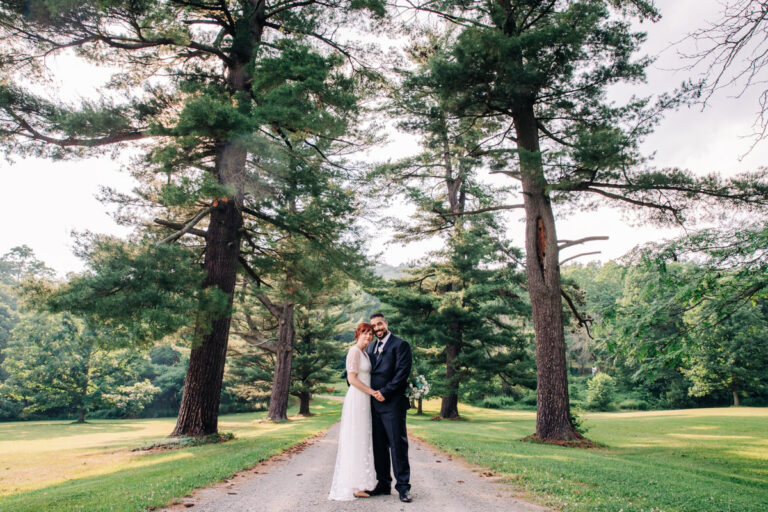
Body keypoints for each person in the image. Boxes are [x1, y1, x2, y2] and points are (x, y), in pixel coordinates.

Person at [328, 322, 384, 501]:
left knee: (363, 439)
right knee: (355, 438)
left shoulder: (365, 353)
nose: (368, 336)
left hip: (365, 399)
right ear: (358, 334)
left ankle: (360, 483)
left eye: (370, 334)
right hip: (358, 397)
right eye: (365, 333)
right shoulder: (354, 351)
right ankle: (351, 485)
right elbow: (352, 379)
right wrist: (372, 392)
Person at [365, 312, 413, 503]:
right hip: (373, 405)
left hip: (393, 404)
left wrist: (385, 391)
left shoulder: (400, 345)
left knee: (397, 445)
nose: (377, 328)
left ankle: (403, 487)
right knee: (379, 446)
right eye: (374, 326)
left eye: (379, 324)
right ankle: (383, 484)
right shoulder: (370, 347)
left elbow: (402, 373)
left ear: (386, 323)